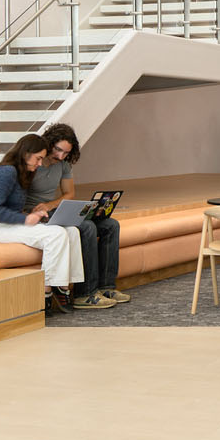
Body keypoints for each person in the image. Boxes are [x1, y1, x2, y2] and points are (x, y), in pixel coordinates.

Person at [0, 133, 83, 314]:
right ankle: (46, 291)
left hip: (9, 225)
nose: (40, 164)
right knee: (56, 234)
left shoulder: (21, 173)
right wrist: (25, 219)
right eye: (38, 158)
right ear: (26, 153)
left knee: (72, 231)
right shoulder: (6, 172)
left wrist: (34, 215)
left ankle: (64, 286)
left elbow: (10, 207)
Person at [29, 123, 128, 309]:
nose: (61, 156)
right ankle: (85, 293)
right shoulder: (34, 162)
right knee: (87, 227)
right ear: (49, 143)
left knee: (110, 225)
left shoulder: (64, 165)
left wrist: (52, 205)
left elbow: (69, 194)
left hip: (53, 210)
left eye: (66, 153)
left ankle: (107, 286)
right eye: (58, 150)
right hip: (38, 215)